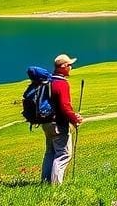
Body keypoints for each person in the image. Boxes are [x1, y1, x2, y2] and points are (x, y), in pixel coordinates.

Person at [42, 54, 83, 185]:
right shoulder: (62, 83)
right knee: (63, 155)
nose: (71, 67)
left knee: (50, 153)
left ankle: (45, 182)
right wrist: (75, 119)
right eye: (70, 65)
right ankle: (56, 186)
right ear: (63, 66)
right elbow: (65, 106)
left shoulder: (48, 81)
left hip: (46, 122)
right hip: (58, 124)